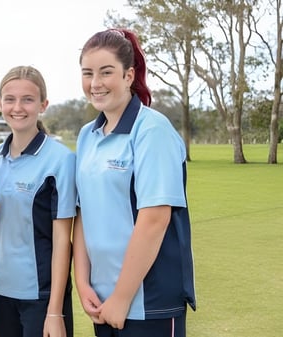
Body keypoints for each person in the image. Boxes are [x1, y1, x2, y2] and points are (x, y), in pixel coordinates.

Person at [72, 28, 196, 337]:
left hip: (148, 302)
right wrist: (83, 282)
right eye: (88, 73)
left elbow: (155, 219)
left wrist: (122, 297)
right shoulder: (87, 135)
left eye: (106, 72)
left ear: (129, 75)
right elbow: (83, 212)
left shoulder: (152, 130)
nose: (95, 83)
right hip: (102, 300)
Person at [0, 66, 76, 337]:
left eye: (28, 99)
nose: (17, 107)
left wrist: (55, 311)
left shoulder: (61, 160)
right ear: (0, 104)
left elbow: (61, 242)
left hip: (42, 298)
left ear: (43, 105)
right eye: (10, 99)